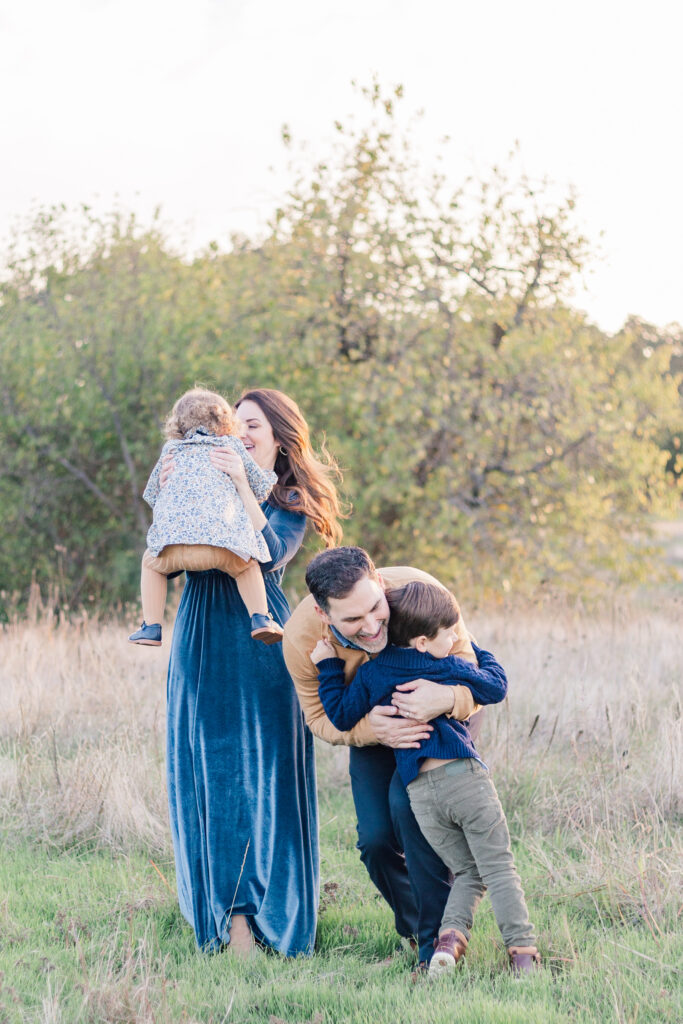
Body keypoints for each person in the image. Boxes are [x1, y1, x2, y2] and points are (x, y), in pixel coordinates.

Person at [165, 388, 344, 957]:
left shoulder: (290, 501)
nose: (239, 435)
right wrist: (171, 488)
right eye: (234, 425)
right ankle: (223, 919)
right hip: (200, 629)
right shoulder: (204, 474)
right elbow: (169, 552)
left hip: (260, 635)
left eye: (253, 427)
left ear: (278, 438)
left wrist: (243, 486)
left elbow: (266, 555)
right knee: (211, 771)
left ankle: (265, 917)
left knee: (258, 776)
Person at [310, 580, 540, 976]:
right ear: (420, 641)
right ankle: (522, 954)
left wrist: (329, 667)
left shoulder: (372, 673)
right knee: (498, 868)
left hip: (420, 792)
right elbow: (497, 686)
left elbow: (341, 714)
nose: (455, 637)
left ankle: (446, 944)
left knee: (468, 871)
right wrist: (479, 651)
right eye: (448, 632)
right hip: (463, 778)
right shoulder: (444, 665)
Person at [282, 546, 483, 968]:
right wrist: (375, 729)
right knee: (375, 840)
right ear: (324, 614)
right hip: (371, 729)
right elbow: (319, 718)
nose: (372, 626)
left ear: (380, 582)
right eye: (353, 620)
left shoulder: (420, 590)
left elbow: (474, 675)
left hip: (440, 718)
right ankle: (419, 934)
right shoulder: (300, 640)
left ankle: (437, 947)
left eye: (376, 608)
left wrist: (442, 698)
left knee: (409, 813)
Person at [129, 387, 284, 646]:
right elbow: (260, 487)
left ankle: (151, 626)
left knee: (149, 563)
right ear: (226, 422)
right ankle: (261, 618)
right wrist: (263, 479)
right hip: (223, 547)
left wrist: (169, 487)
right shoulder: (231, 445)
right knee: (248, 564)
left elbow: (152, 494)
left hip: (173, 548)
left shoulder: (171, 450)